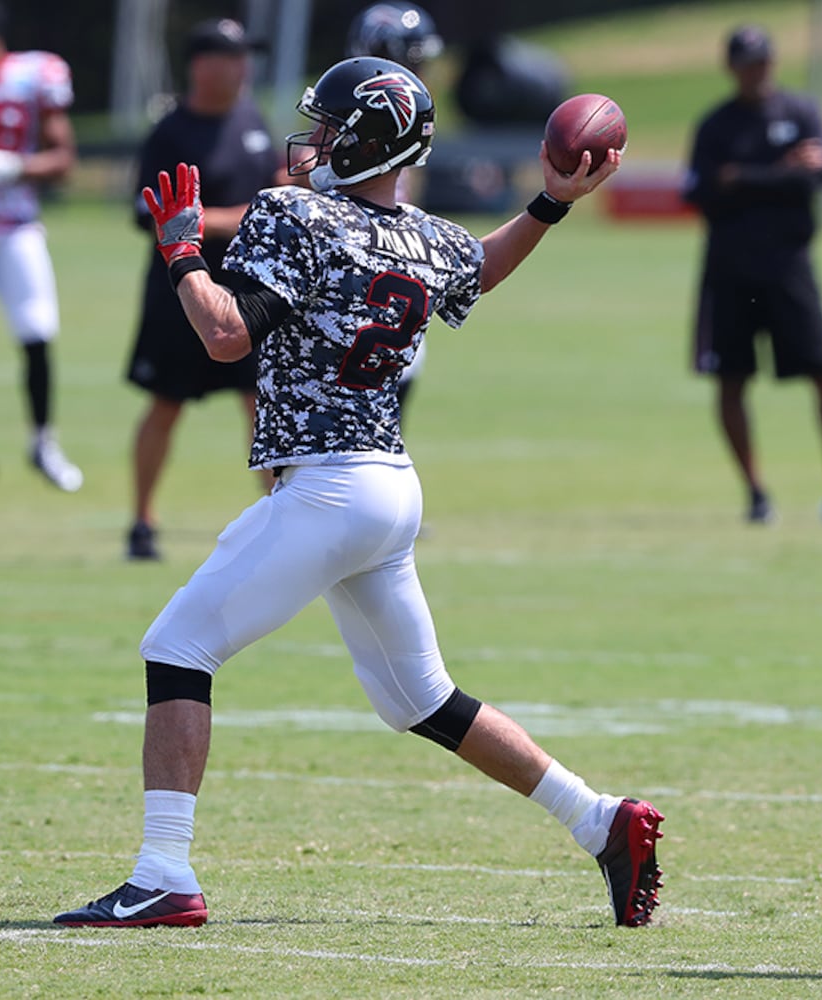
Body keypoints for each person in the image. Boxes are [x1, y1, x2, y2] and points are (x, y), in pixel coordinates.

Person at [53, 55, 663, 930]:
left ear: (366, 139)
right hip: (387, 485)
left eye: (333, 128)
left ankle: (162, 875)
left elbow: (226, 338)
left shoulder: (291, 213)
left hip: (328, 489)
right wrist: (551, 203)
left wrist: (184, 254)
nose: (318, 141)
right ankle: (599, 820)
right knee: (421, 697)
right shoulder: (427, 235)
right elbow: (478, 268)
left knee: (178, 646)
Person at [681, 25, 822, 526]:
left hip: (791, 267)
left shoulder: (800, 112)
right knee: (731, 378)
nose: (757, 71)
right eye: (747, 62)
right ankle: (756, 492)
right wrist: (780, 173)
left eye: (763, 60)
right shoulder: (716, 125)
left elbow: (820, 175)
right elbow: (700, 192)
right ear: (732, 68)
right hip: (730, 270)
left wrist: (743, 177)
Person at [125, 18, 284, 560]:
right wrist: (230, 220)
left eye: (244, 57)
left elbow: (272, 189)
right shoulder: (171, 132)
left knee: (261, 403)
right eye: (229, 57)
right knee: (165, 403)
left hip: (248, 289)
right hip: (182, 290)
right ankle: (142, 522)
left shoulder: (252, 118)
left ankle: (283, 519)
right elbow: (153, 216)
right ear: (200, 65)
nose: (241, 68)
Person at [0, 0, 81, 491]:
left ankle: (43, 442)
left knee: (36, 330)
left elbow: (63, 158)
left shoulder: (34, 74)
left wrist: (13, 167)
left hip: (17, 224)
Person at [345, 1, 443, 430]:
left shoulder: (411, 113)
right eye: (412, 57)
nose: (418, 70)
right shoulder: (350, 104)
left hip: (394, 264)